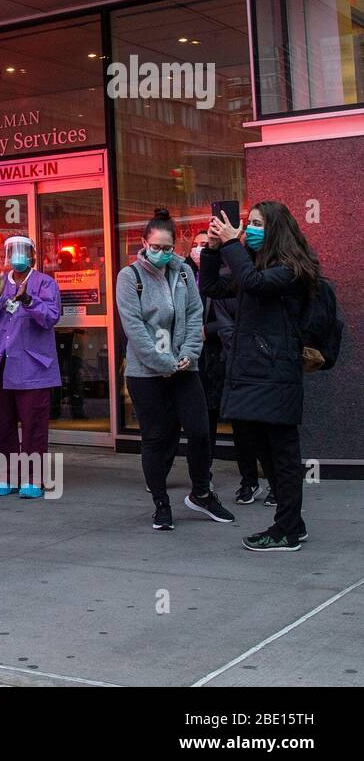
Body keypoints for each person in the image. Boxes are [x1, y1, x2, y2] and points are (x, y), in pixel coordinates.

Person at [202, 202, 317, 552]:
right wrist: (212, 249)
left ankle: (286, 531)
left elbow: (252, 283)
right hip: (255, 373)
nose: (248, 228)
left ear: (275, 229)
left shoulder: (291, 268)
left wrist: (232, 243)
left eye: (255, 224)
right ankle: (292, 523)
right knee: (265, 452)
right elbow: (212, 287)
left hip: (276, 373)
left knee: (282, 454)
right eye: (247, 223)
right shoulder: (257, 267)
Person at [117, 209, 234, 532]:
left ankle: (201, 493)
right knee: (156, 438)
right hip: (146, 373)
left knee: (199, 431)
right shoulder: (130, 277)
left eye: (168, 248)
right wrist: (163, 363)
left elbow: (195, 313)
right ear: (144, 243)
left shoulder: (182, 272)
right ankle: (161, 504)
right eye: (156, 247)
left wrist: (188, 354)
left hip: (185, 367)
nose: (162, 254)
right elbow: (134, 328)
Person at [0, 236, 60, 498]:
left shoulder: (45, 283)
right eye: (12, 252)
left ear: (34, 256)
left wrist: (28, 301)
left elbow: (51, 317)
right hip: (3, 365)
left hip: (34, 367)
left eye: (23, 252)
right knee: (2, 424)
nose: (18, 257)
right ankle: (5, 476)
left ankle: (33, 478)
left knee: (34, 426)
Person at [188, 229, 256, 502]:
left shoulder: (230, 277)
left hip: (227, 357)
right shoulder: (185, 278)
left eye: (207, 245)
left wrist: (209, 330)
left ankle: (250, 481)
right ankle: (204, 479)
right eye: (197, 245)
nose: (201, 250)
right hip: (198, 361)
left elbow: (239, 315)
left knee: (243, 424)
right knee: (204, 423)